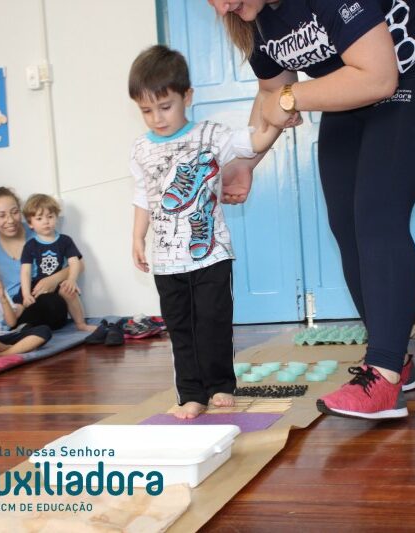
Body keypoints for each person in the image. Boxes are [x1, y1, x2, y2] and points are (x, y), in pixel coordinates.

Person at [210, 0, 415, 419]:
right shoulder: (252, 18)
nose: (222, 9)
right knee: (345, 223)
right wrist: (245, 162)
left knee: (378, 214)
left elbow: (378, 78)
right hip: (352, 86)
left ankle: (383, 376)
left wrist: (290, 97)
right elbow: (272, 91)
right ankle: (394, 359)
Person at [128, 45, 281, 419]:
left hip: (211, 253)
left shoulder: (211, 135)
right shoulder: (141, 150)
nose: (157, 118)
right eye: (146, 110)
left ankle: (220, 386)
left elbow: (254, 141)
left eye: (165, 107)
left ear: (187, 96)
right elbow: (142, 196)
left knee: (213, 322)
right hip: (167, 261)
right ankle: (192, 394)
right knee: (181, 329)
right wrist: (137, 237)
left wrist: (279, 120)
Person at [0, 187, 70, 330]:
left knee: (53, 304)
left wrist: (53, 279)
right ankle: (22, 330)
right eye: (1, 215)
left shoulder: (39, 230)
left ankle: (23, 330)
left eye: (15, 212)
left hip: (40, 299)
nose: (10, 220)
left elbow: (77, 264)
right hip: (8, 308)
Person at [17, 194, 96, 333]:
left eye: (50, 216)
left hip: (58, 282)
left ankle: (81, 324)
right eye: (39, 218)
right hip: (37, 285)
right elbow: (25, 272)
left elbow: (74, 262)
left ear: (56, 217)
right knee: (22, 302)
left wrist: (71, 280)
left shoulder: (65, 240)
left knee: (69, 290)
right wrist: (26, 293)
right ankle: (16, 327)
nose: (46, 222)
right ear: (30, 223)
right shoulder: (30, 245)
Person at [0, 241, 52, 359]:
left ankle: (5, 353)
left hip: (2, 336)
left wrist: (3, 298)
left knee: (44, 330)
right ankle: (17, 348)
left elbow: (11, 323)